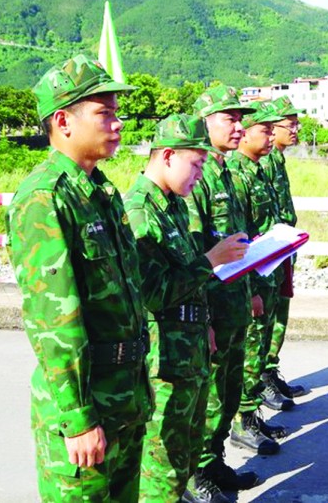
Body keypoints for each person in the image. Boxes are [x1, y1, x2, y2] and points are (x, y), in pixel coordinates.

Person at [6, 54, 153, 502]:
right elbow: (52, 322)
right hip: (86, 404)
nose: (118, 123)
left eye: (116, 112)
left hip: (125, 395)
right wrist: (78, 418)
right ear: (64, 122)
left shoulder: (101, 192)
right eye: (104, 113)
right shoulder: (43, 199)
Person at [124, 114, 249, 503]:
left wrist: (206, 325)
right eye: (195, 164)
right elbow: (154, 292)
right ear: (166, 157)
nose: (200, 174)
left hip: (189, 351)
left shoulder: (172, 205)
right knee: (161, 465)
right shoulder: (140, 211)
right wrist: (211, 260)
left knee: (186, 456)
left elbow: (188, 285)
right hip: (164, 362)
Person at [184, 85, 278, 500]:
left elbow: (240, 240)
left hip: (236, 301)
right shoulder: (196, 177)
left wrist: (254, 287)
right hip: (213, 306)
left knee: (228, 393)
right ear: (205, 123)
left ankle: (216, 462)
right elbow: (192, 254)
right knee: (206, 398)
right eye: (230, 118)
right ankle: (196, 474)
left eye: (242, 119)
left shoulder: (227, 172)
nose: (240, 126)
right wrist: (202, 318)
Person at [227, 101, 296, 451]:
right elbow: (241, 236)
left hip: (269, 269)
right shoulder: (236, 174)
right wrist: (251, 285)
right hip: (254, 276)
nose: (270, 136)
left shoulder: (257, 169)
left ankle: (251, 415)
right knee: (250, 350)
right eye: (264, 130)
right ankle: (243, 420)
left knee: (260, 343)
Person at [258, 95, 308, 401]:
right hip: (268, 253)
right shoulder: (262, 160)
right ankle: (261, 378)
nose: (295, 129)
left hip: (282, 250)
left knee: (279, 312)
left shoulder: (276, 159)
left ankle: (270, 370)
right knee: (266, 318)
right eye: (289, 124)